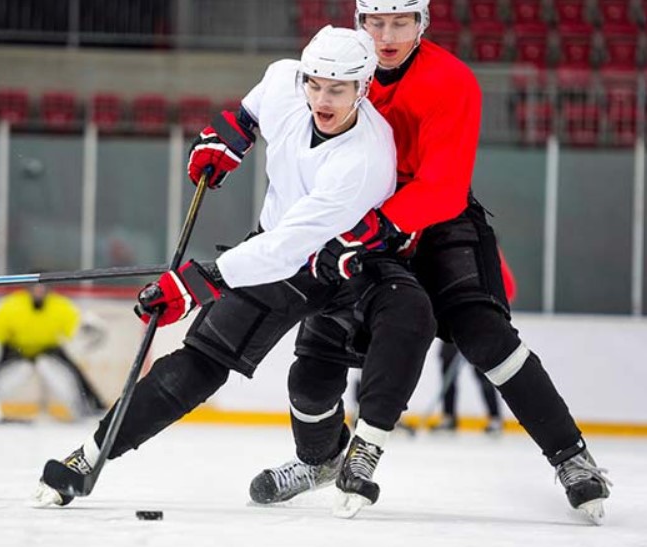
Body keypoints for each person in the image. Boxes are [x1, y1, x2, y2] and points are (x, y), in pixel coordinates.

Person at [32, 25, 436, 510]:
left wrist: (201, 281)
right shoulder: (284, 81)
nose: (322, 100)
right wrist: (229, 138)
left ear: (364, 87)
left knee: (316, 376)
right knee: (200, 360)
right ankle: (88, 457)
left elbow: (290, 247)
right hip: (278, 245)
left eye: (337, 89)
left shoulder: (366, 159)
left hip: (349, 264)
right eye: (314, 84)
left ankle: (338, 455)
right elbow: (250, 112)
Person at [248, 0, 611, 524]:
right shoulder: (336, 74)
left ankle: (573, 457)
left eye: (402, 22)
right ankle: (320, 459)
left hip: (433, 223)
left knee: (487, 338)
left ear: (423, 23)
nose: (387, 35)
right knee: (315, 360)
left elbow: (443, 185)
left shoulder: (451, 80)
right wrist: (230, 132)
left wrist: (372, 227)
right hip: (361, 224)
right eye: (376, 22)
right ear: (359, 24)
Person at [0, 284, 105, 422]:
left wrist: (87, 329)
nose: (39, 290)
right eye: (35, 287)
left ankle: (94, 407)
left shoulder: (61, 305)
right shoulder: (12, 304)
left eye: (43, 287)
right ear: (28, 288)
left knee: (74, 372)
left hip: (48, 348)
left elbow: (75, 329)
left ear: (49, 289)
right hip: (16, 347)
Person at [431, 250, 516, 434]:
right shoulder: (451, 252)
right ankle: (449, 416)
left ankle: (494, 417)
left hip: (479, 321)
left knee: (482, 369)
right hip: (453, 319)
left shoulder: (489, 255)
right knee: (446, 363)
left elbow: (508, 289)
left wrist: (491, 311)